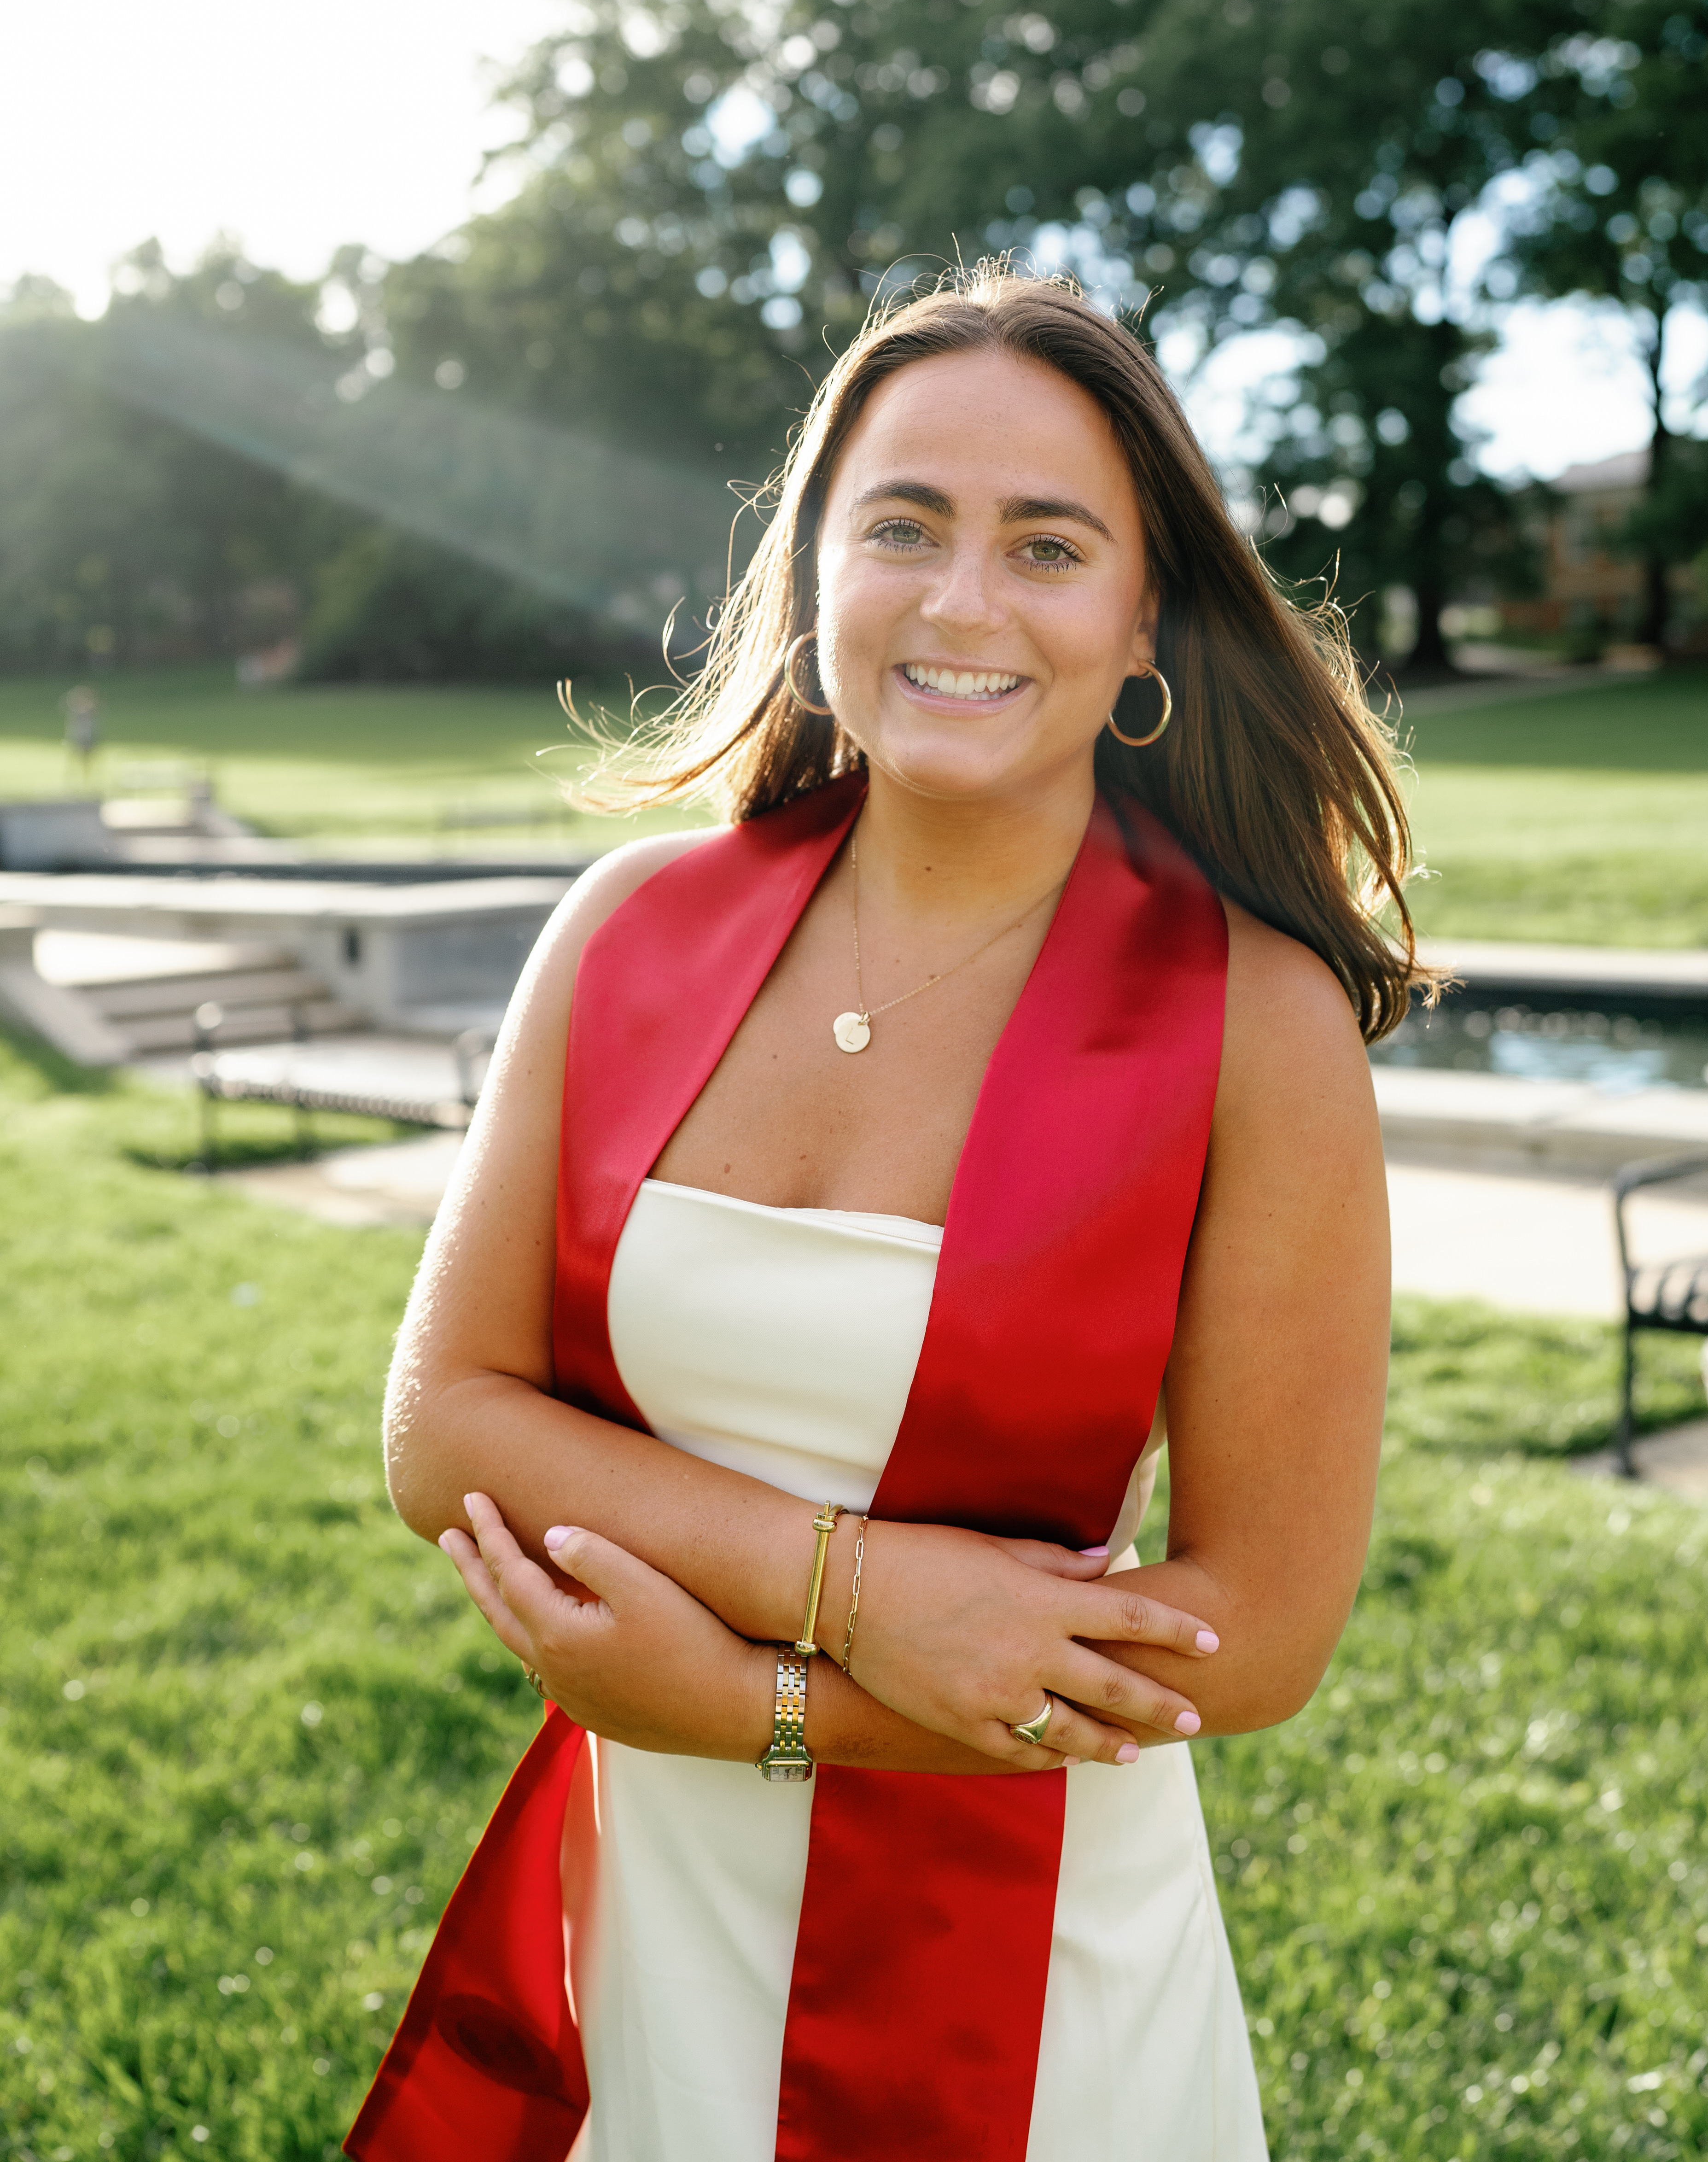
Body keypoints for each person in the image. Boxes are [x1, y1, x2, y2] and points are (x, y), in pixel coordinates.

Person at [354, 267, 1414, 2162]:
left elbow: (1251, 1639)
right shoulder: (628, 935)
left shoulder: (1254, 1023)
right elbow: (446, 1425)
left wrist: (764, 1708)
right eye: (902, 527)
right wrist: (858, 1589)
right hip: (641, 1910)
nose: (961, 602)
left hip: (1034, 1974)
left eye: (1047, 545)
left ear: (1142, 610)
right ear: (814, 568)